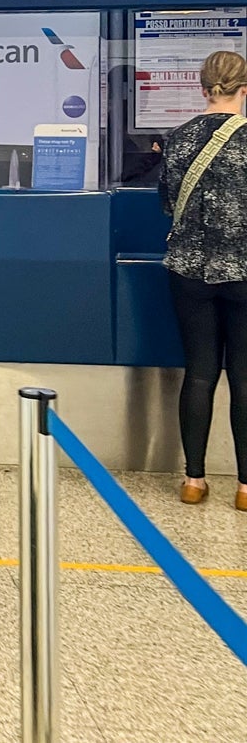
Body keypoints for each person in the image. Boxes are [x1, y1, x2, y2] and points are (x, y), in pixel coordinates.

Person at [160, 50, 247, 510]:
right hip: (245, 272)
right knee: (246, 377)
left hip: (189, 271)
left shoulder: (178, 138)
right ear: (244, 90)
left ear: (202, 89)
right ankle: (246, 487)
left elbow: (166, 203)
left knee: (199, 373)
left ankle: (193, 480)